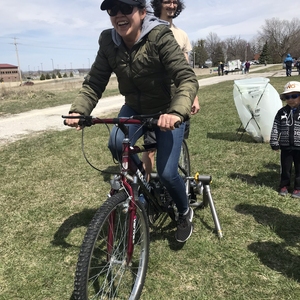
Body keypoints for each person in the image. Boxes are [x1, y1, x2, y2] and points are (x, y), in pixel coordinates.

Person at [65, 0, 199, 242]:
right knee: (116, 143)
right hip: (135, 108)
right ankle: (142, 194)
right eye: (112, 10)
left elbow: (186, 78)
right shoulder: (108, 41)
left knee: (168, 174)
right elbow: (95, 82)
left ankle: (183, 211)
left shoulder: (160, 35)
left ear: (142, 11)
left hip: (166, 108)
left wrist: (177, 112)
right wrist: (79, 110)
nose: (119, 15)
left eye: (126, 8)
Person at [142, 0, 200, 179]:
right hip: (154, 99)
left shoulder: (181, 35)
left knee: (172, 149)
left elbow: (186, 70)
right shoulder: (147, 29)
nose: (172, 5)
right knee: (150, 148)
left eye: (175, 2)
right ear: (159, 4)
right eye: (167, 1)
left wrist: (194, 97)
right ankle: (148, 187)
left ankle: (172, 182)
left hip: (176, 100)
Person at [270, 81, 300, 198]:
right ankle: (284, 185)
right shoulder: (281, 112)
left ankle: (298, 188)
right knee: (285, 168)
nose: (290, 99)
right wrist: (274, 141)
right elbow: (275, 127)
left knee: (299, 168)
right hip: (285, 146)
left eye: (294, 96)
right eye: (287, 97)